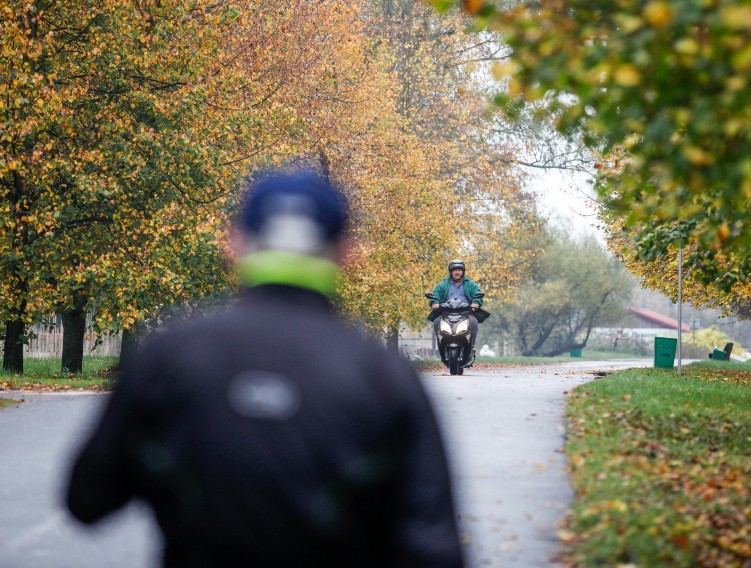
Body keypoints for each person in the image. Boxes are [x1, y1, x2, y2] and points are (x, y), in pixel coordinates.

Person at [66, 169, 464, 568]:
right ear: (347, 253)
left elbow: (87, 501)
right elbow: (435, 545)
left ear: (236, 243)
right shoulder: (384, 374)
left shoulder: (169, 356)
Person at [429, 259, 483, 362]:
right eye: (455, 270)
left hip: (466, 313)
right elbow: (435, 295)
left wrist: (476, 302)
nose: (457, 272)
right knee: (436, 322)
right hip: (446, 313)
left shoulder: (470, 284)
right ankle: (441, 348)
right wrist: (434, 302)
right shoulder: (443, 284)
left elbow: (478, 294)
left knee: (474, 322)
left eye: (459, 270)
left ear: (463, 271)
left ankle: (470, 348)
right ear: (450, 271)